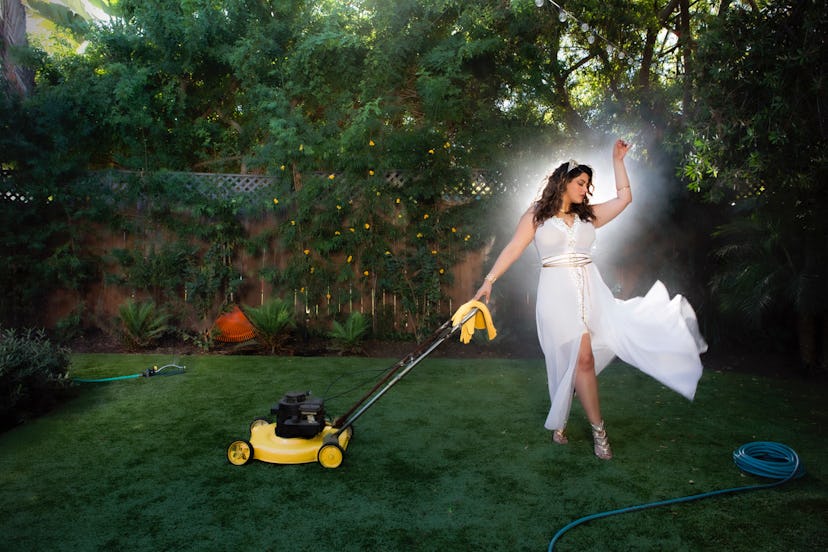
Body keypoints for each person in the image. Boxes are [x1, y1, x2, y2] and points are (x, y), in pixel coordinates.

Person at [472, 139, 706, 460]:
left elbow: (625, 198)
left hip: (590, 290)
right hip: (556, 295)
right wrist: (488, 281)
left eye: (587, 185)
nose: (585, 189)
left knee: (580, 360)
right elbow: (513, 247)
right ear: (563, 182)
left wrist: (617, 160)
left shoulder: (588, 216)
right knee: (582, 358)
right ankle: (600, 433)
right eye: (580, 183)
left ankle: (564, 416)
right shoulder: (536, 216)